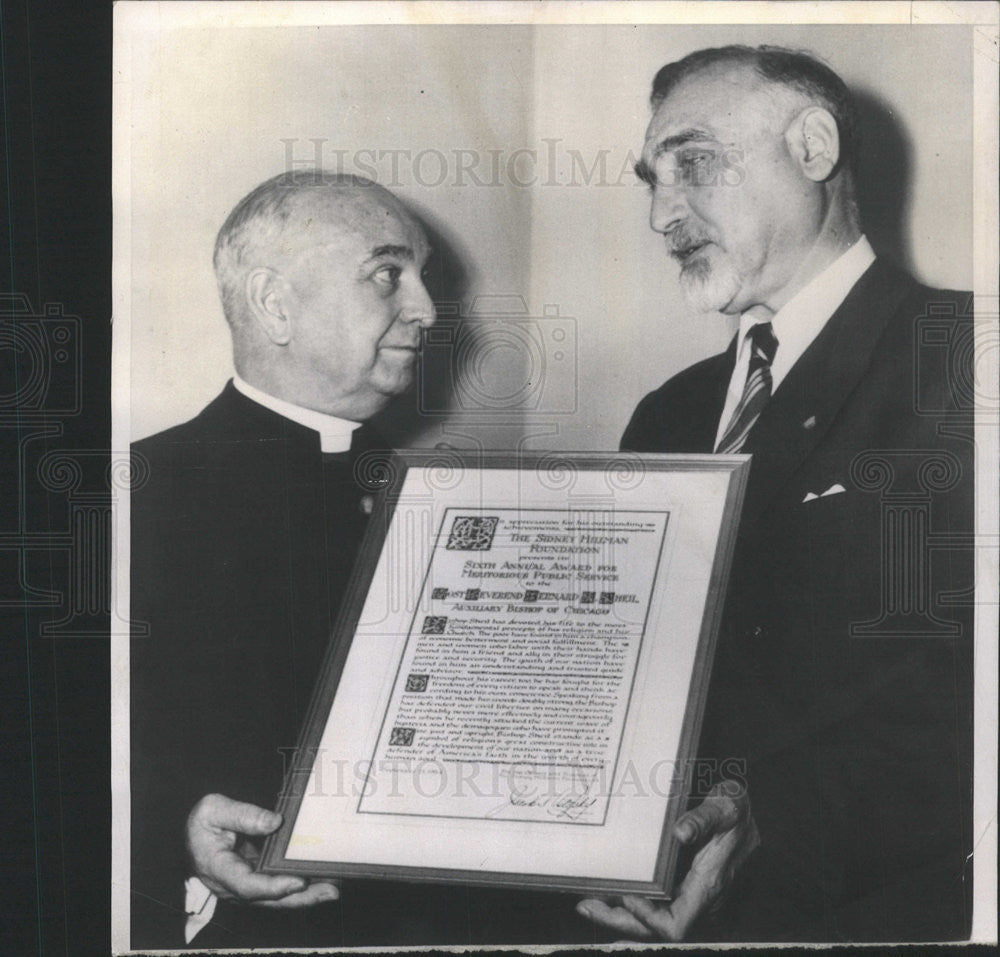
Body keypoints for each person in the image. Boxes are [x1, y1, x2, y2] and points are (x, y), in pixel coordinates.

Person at [129, 171, 605, 949]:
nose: (425, 309)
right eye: (389, 274)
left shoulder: (457, 499)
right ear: (275, 304)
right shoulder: (132, 494)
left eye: (422, 276)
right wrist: (178, 826)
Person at [577, 45, 974, 943]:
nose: (660, 211)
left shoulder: (964, 361)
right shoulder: (665, 412)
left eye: (695, 161)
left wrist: (777, 819)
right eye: (651, 178)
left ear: (815, 147)